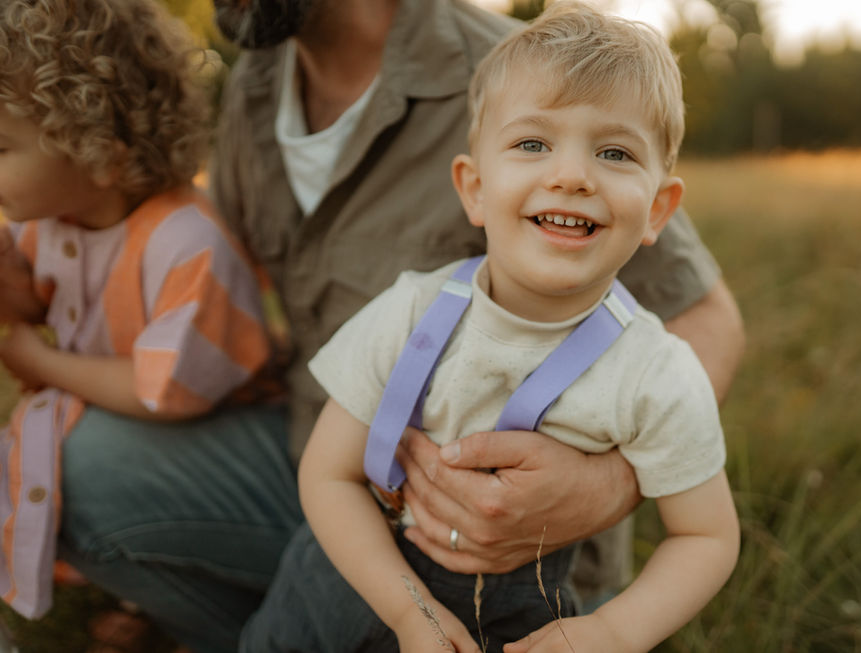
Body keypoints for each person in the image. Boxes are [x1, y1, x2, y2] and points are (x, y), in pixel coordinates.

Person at [45, 0, 744, 651]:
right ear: (470, 186)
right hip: (350, 519)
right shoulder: (264, 96)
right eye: (533, 145)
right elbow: (329, 466)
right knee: (69, 461)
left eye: (613, 154)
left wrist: (609, 554)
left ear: (660, 208)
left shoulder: (529, 70)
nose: (571, 175)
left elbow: (707, 529)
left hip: (530, 587)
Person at [0, 0, 275, 631]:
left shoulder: (185, 243)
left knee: (60, 466)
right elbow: (31, 296)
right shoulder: (55, 221)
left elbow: (165, 394)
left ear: (103, 153)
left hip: (226, 448)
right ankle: (161, 598)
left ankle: (249, 629)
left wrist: (40, 360)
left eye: (2, 145)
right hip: (149, 441)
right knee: (39, 461)